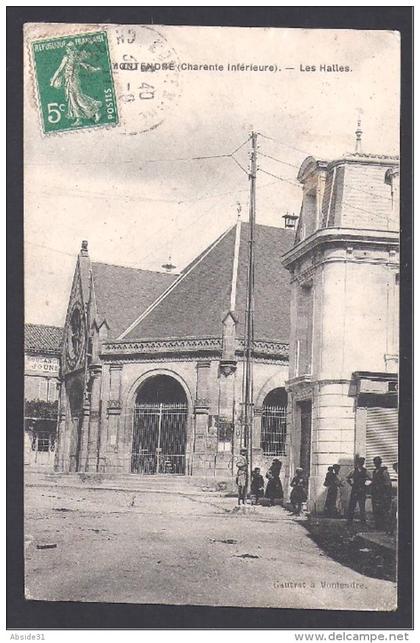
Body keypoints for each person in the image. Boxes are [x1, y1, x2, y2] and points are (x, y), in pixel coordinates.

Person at [50, 41, 102, 126]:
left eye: (68, 48)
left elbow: (59, 70)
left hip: (72, 81)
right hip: (72, 81)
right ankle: (79, 119)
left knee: (78, 99)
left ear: (69, 49)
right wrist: (94, 69)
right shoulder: (76, 57)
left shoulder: (67, 58)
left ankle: (95, 112)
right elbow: (85, 65)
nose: (67, 50)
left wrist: (53, 81)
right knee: (73, 99)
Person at [346, 456, 371, 525]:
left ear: (363, 463)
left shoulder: (366, 471)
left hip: (362, 490)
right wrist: (351, 483)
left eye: (362, 462)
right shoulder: (353, 471)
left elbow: (371, 479)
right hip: (355, 490)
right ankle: (349, 520)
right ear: (357, 463)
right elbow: (347, 477)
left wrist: (366, 485)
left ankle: (363, 521)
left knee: (362, 506)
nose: (361, 463)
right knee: (352, 505)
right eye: (359, 462)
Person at [370, 456, 392, 530]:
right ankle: (377, 525)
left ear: (380, 462)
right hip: (375, 493)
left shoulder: (384, 471)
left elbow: (388, 483)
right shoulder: (374, 471)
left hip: (382, 494)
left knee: (382, 509)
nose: (376, 464)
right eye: (375, 462)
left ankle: (383, 526)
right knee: (375, 509)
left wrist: (386, 494)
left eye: (378, 462)